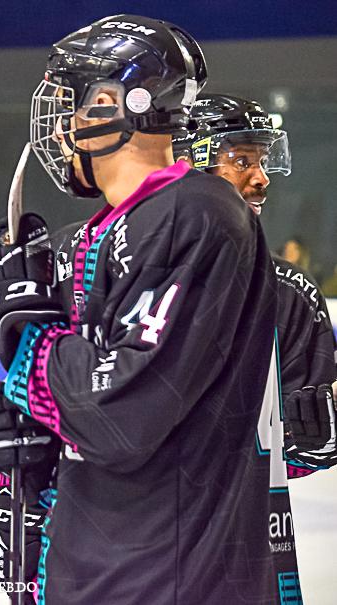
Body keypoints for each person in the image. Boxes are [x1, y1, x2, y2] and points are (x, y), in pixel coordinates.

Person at [0, 15, 280, 603]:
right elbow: (87, 400)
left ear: (111, 105)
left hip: (167, 580)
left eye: (71, 104)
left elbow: (119, 415)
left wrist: (25, 335)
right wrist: (29, 452)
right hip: (102, 568)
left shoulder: (195, 215)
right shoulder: (113, 227)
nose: (60, 126)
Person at [174, 93, 337, 600]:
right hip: (133, 547)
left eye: (263, 161)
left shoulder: (289, 292)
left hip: (247, 555)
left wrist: (319, 440)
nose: (262, 178)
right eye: (242, 161)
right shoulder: (118, 269)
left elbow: (298, 451)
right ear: (189, 163)